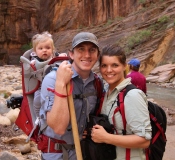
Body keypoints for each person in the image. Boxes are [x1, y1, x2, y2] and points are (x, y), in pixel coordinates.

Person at [39, 32, 101, 160]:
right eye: (81, 49)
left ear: (97, 55)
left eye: (92, 50)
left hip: (84, 152)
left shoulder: (97, 83)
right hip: (57, 155)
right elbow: (59, 128)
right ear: (71, 54)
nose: (87, 55)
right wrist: (61, 83)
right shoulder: (53, 79)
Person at [91, 45, 152, 160]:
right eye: (104, 65)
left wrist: (106, 137)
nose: (109, 70)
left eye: (115, 65)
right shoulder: (105, 92)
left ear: (124, 66)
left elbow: (144, 140)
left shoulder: (132, 95)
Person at [31, 31, 67, 117]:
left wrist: (62, 55)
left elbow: (63, 56)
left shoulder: (55, 57)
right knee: (37, 100)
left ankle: (55, 116)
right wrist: (32, 64)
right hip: (41, 87)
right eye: (41, 48)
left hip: (57, 85)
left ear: (53, 49)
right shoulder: (35, 60)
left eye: (48, 48)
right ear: (35, 51)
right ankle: (38, 117)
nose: (44, 50)